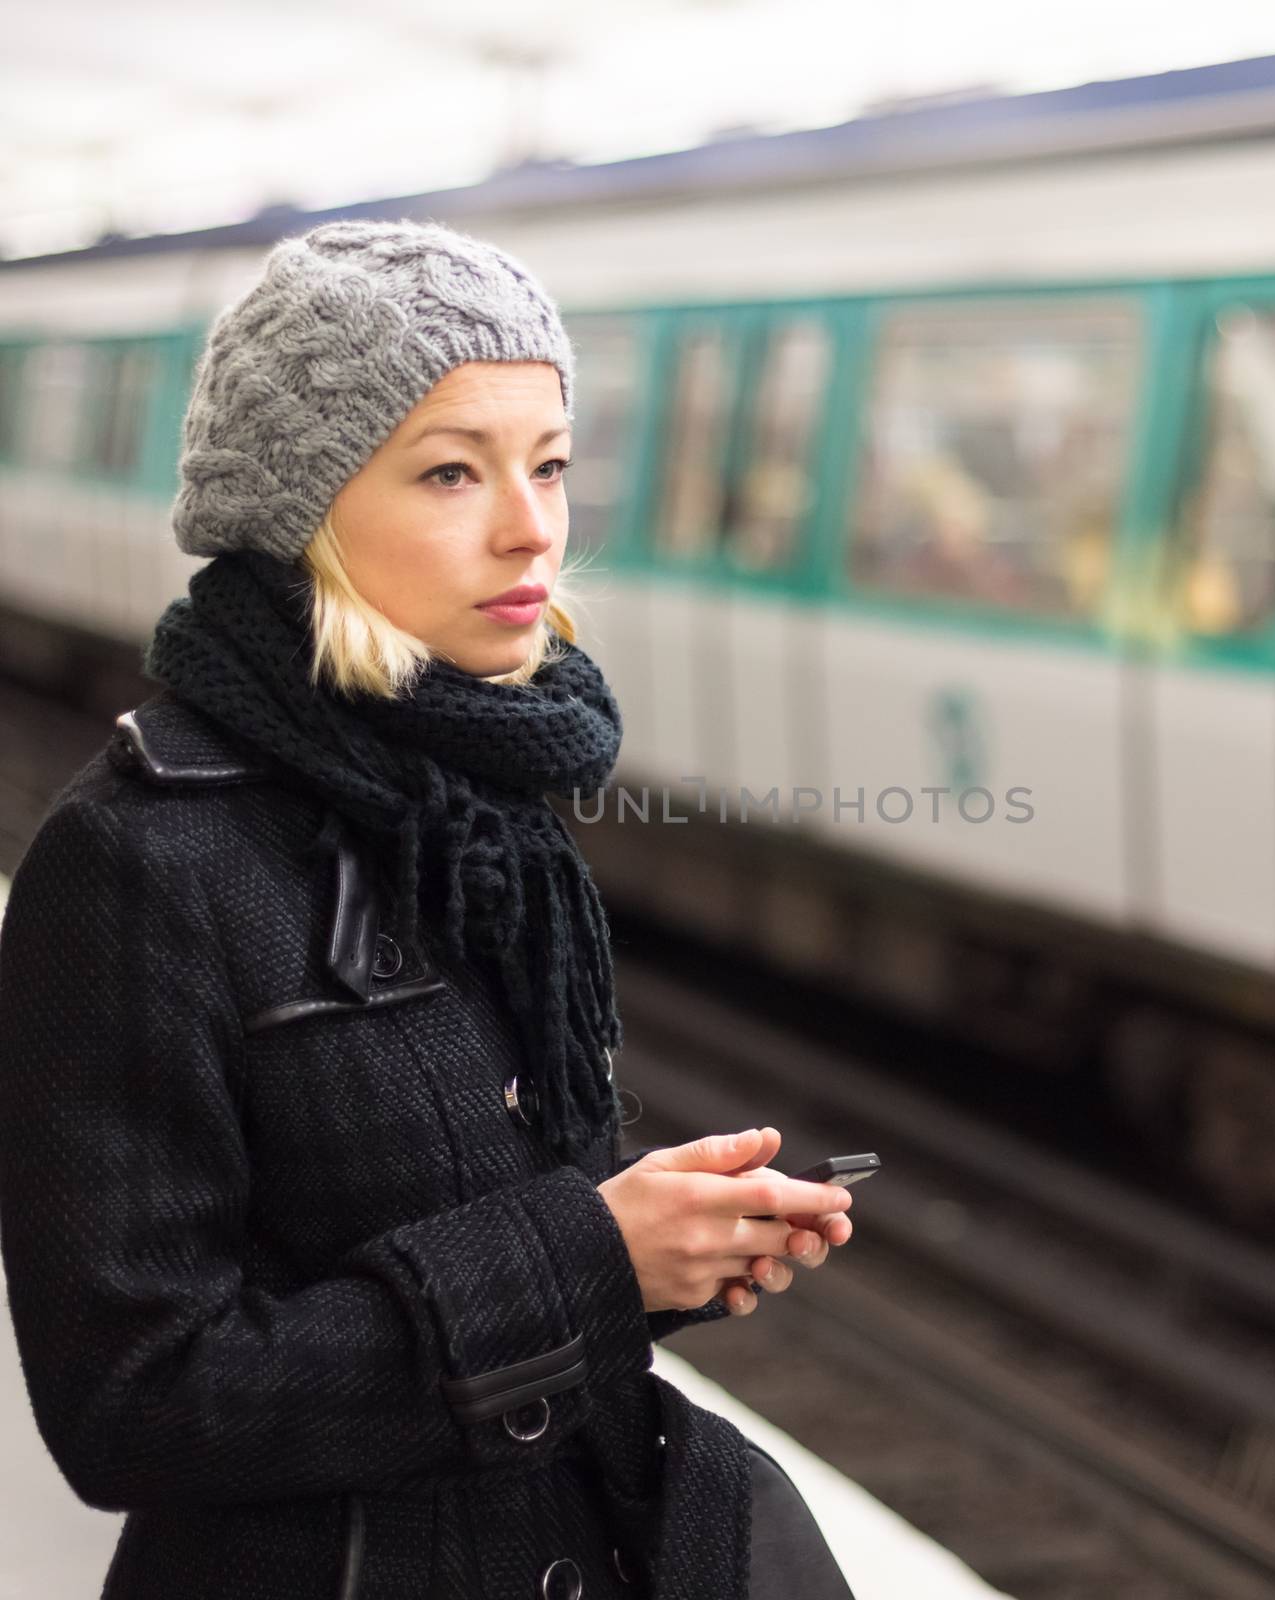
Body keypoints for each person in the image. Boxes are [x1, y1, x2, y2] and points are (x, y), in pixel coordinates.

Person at [0, 218, 859, 1600]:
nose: (533, 526)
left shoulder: (480, 812)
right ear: (304, 506)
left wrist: (665, 1252)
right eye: (453, 470)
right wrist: (590, 1251)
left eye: (553, 463)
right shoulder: (139, 863)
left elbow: (491, 1245)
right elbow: (133, 1404)